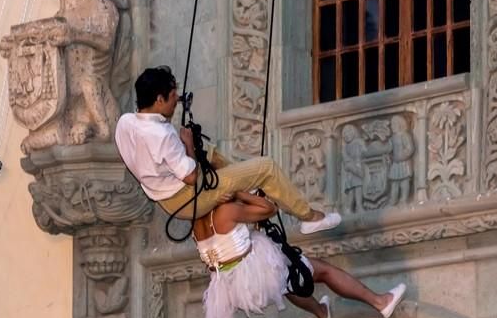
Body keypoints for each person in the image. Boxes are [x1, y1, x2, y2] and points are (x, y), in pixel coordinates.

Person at [115, 65, 341, 235]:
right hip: (188, 197)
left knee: (209, 152)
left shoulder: (125, 122)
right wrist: (189, 146)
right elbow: (192, 177)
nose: (177, 103)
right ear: (159, 99)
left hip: (163, 196)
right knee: (267, 167)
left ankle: (248, 185)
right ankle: (309, 217)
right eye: (173, 97)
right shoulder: (161, 136)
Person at [192, 191, 406, 318]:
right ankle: (380, 302)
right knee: (323, 271)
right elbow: (268, 209)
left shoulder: (197, 221)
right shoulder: (226, 211)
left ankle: (322, 313)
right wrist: (241, 194)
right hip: (255, 272)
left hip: (231, 287)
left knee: (284, 283)